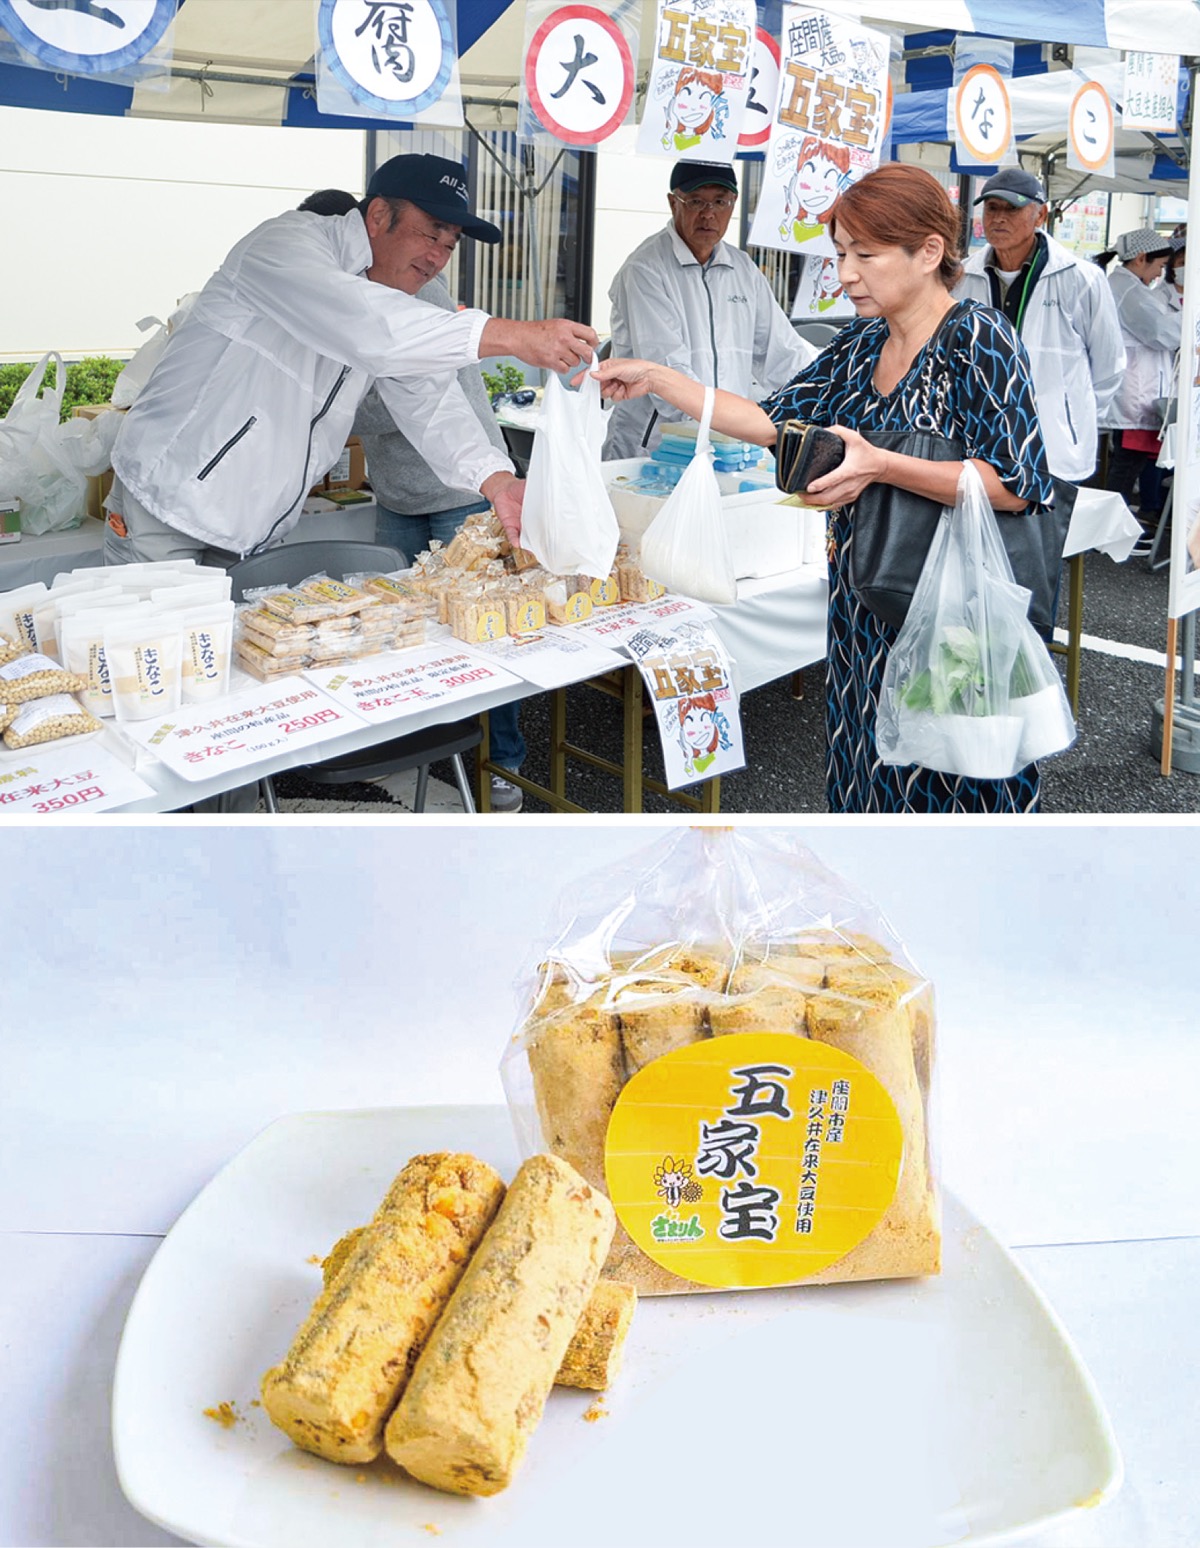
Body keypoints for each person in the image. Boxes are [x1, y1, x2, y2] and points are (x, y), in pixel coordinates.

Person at [591, 163, 1054, 815]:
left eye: (865, 254)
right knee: (867, 776)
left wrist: (880, 464)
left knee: (957, 783)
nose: (845, 274)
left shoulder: (977, 339)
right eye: (840, 254)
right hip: (866, 607)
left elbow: (1015, 481)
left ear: (928, 252)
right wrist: (661, 380)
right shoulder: (861, 344)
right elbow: (770, 420)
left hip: (955, 616)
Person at [104, 153, 597, 566]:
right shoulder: (286, 246)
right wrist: (514, 337)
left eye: (450, 245)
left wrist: (498, 480)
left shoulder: (389, 296)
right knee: (152, 669)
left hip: (252, 531)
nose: (438, 258)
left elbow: (429, 399)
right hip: (164, 507)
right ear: (379, 215)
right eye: (431, 234)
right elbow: (371, 329)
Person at [297, 187, 526, 812]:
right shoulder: (328, 288)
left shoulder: (403, 290)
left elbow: (392, 396)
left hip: (458, 486)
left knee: (478, 632)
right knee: (404, 630)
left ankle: (501, 762)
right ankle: (422, 750)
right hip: (398, 490)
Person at [602, 159, 812, 461]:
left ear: (734, 204)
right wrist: (736, 421)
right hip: (654, 451)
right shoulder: (645, 270)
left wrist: (816, 401)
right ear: (673, 203)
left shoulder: (743, 270)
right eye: (696, 201)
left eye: (720, 202)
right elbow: (667, 379)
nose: (709, 214)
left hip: (728, 448)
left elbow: (784, 355)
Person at [955, 168, 1124, 493]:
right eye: (992, 208)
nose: (999, 219)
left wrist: (1074, 416)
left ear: (1040, 215)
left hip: (1056, 444)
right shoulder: (963, 277)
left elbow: (1109, 366)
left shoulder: (1081, 278)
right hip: (981, 439)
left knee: (1051, 539)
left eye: (1012, 209)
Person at [1097, 228, 1180, 552]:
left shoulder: (1129, 285)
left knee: (1127, 461)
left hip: (1137, 384)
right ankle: (1108, 533)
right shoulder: (1126, 289)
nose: (1161, 272)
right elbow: (1160, 332)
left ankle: (1111, 528)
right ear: (1142, 258)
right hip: (1132, 387)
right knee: (1126, 462)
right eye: (1159, 265)